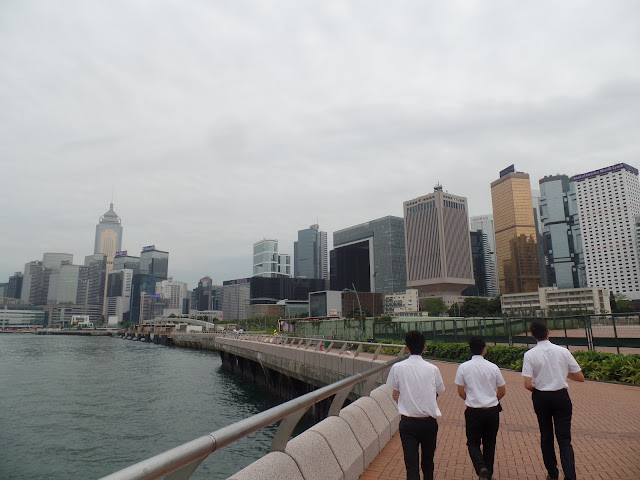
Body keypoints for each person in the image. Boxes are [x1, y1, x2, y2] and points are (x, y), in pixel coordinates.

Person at [522, 321, 585, 480]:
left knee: (546, 435)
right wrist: (562, 373)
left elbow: (527, 384)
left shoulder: (529, 355)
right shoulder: (563, 351)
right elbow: (580, 377)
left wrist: (539, 388)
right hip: (561, 396)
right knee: (564, 439)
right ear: (548, 332)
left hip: (541, 397)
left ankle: (552, 473)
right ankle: (570, 476)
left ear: (532, 335)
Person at [386, 330, 445, 480]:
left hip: (408, 423)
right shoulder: (433, 369)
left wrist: (400, 395)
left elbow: (395, 391)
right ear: (424, 347)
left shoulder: (397, 367)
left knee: (411, 465)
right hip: (429, 422)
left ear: (407, 348)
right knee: (428, 463)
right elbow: (438, 390)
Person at [455, 336, 506, 480]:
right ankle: (487, 474)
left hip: (473, 411)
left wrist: (471, 399)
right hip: (492, 411)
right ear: (484, 350)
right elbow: (502, 390)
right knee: (490, 443)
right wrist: (493, 400)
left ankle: (481, 467)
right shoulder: (493, 367)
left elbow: (460, 391)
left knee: (473, 442)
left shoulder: (463, 367)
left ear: (470, 350)